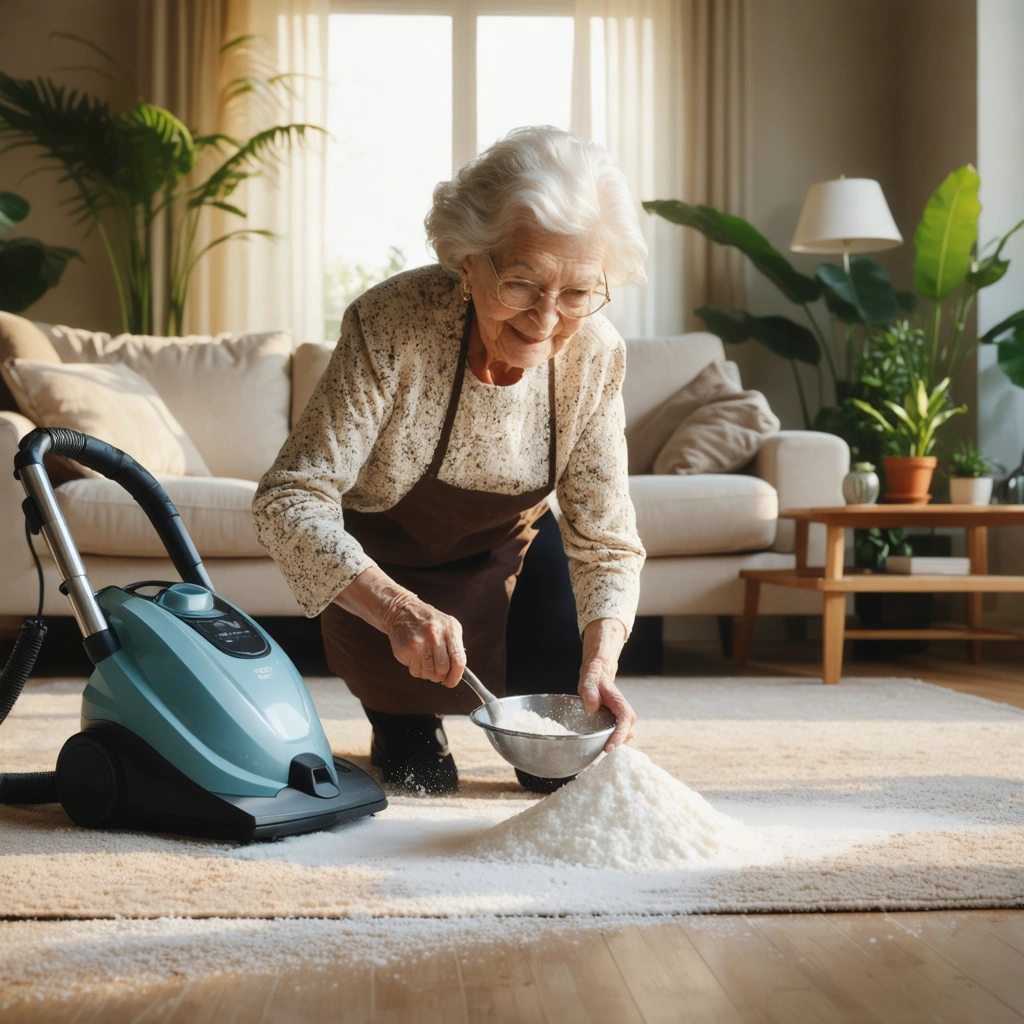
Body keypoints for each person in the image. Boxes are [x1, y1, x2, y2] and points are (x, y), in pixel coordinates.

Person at [253, 126, 647, 794]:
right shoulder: (393, 323)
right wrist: (396, 610)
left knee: (556, 777)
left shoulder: (596, 354)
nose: (547, 319)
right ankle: (400, 720)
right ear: (468, 261)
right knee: (420, 776)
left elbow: (606, 538)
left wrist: (602, 663)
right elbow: (288, 498)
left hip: (512, 562)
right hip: (387, 573)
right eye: (522, 283)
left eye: (578, 293)